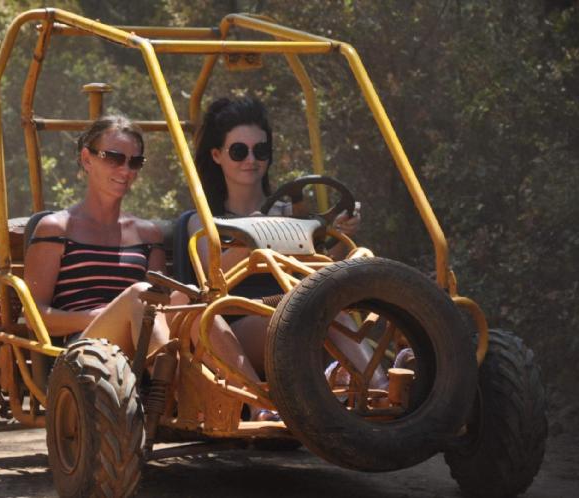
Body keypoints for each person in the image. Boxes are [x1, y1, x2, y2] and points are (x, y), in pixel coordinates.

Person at [187, 97, 378, 419]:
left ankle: (386, 393)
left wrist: (343, 233)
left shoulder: (294, 211)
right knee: (314, 313)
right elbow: (213, 276)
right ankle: (261, 404)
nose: (251, 160)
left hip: (301, 310)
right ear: (217, 156)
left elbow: (322, 266)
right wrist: (258, 234)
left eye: (260, 151)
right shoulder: (204, 221)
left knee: (330, 306)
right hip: (236, 324)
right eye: (239, 151)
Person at [23, 115, 169, 357]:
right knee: (138, 294)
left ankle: (246, 391)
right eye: (114, 158)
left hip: (141, 340)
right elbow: (34, 315)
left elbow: (160, 303)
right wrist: (107, 315)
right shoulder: (56, 229)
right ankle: (166, 379)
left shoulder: (148, 234)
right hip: (86, 350)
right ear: (87, 159)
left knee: (193, 303)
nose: (125, 170)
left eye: (135, 162)